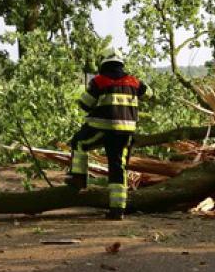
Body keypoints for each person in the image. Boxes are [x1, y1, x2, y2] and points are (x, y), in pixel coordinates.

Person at [66, 47, 153, 220]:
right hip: (126, 133)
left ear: (103, 62)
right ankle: (117, 210)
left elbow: (85, 104)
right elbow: (149, 94)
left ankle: (79, 179)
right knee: (118, 167)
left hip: (103, 128)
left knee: (79, 142)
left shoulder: (99, 81)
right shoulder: (134, 81)